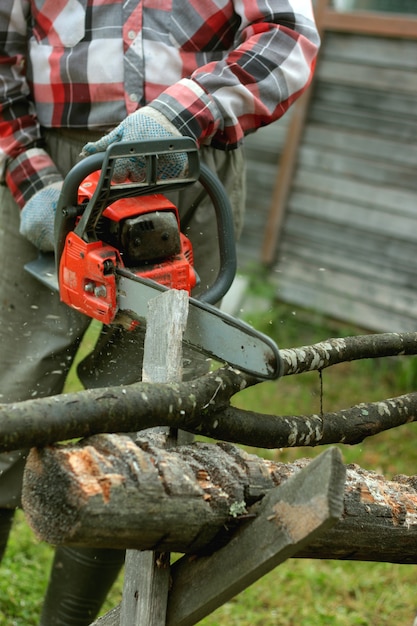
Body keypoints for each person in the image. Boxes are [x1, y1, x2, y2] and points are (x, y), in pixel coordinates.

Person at [0, 1, 320, 623]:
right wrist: (31, 176)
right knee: (6, 384)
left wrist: (181, 111)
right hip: (50, 155)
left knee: (140, 414)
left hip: (188, 156)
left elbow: (286, 34)